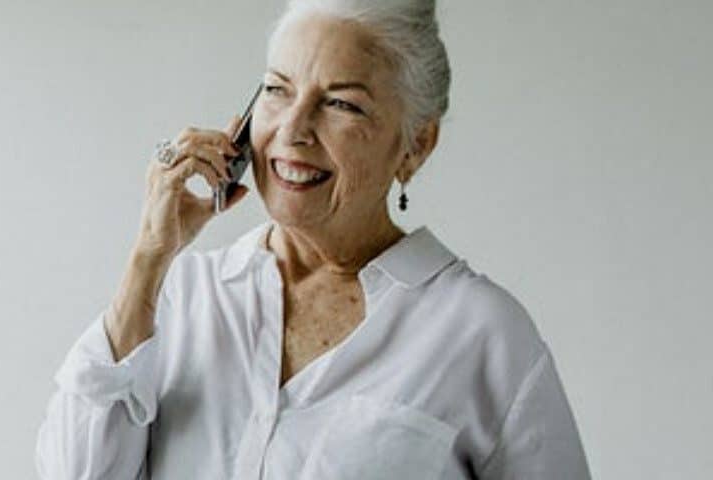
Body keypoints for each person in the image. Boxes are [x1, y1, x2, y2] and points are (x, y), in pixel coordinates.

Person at [35, 0, 591, 478]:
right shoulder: (183, 296)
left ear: (416, 146)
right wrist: (148, 260)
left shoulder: (482, 334)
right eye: (278, 90)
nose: (293, 130)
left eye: (341, 103)